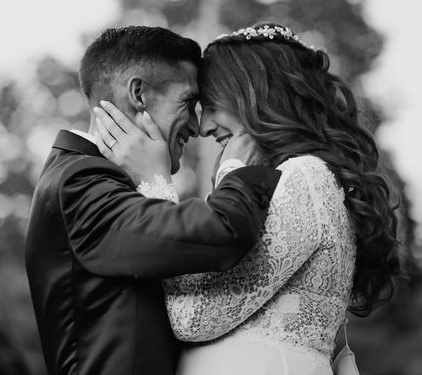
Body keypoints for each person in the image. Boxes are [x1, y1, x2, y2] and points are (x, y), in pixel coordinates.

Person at [94, 22, 401, 375]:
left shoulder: (305, 178)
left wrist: (154, 183)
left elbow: (192, 317)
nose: (204, 127)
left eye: (210, 104)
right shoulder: (297, 180)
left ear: (253, 94)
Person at [25, 26, 282, 375]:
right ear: (139, 94)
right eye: (188, 103)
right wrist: (238, 166)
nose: (195, 125)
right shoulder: (77, 184)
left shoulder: (94, 181)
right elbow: (222, 231)